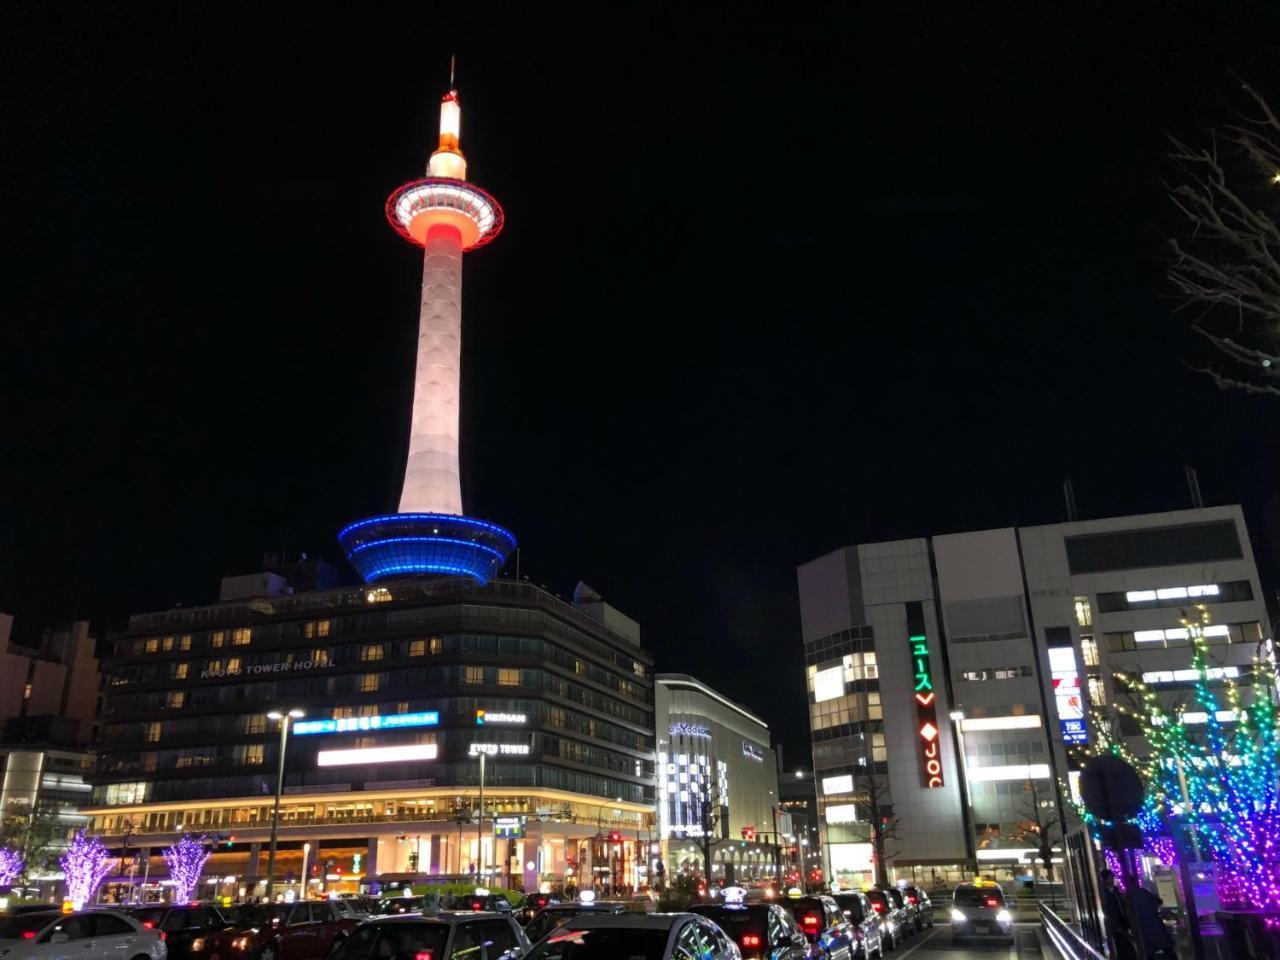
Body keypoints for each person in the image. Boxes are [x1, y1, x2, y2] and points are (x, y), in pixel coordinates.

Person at [1101, 870, 1137, 960]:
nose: (1112, 879)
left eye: (1112, 877)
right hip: (1115, 925)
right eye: (1110, 877)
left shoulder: (1117, 890)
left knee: (1124, 946)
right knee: (1124, 946)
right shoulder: (1104, 894)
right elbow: (1109, 910)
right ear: (1105, 879)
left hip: (1122, 922)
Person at [1132, 886, 1177, 959]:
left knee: (1150, 951)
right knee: (1166, 949)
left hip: (1145, 927)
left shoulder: (1131, 897)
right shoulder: (1144, 893)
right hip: (1153, 924)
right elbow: (1159, 901)